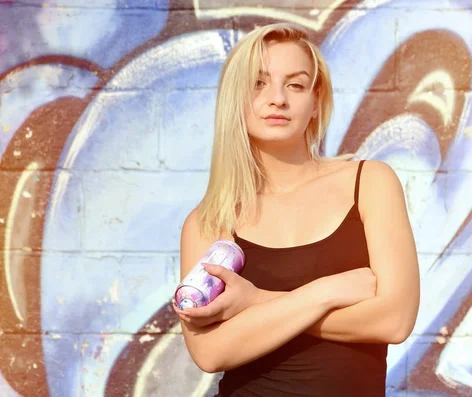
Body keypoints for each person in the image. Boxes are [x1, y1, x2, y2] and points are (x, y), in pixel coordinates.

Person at [172, 22, 420, 397]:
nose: (278, 99)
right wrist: (327, 291)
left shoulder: (370, 183)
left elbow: (395, 321)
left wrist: (257, 302)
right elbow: (210, 351)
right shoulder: (211, 220)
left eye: (296, 84)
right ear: (236, 98)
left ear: (316, 101)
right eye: (259, 83)